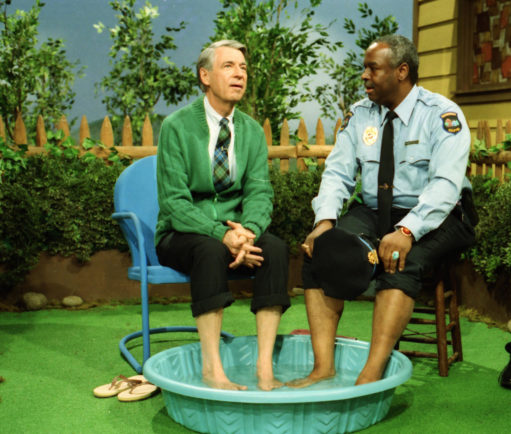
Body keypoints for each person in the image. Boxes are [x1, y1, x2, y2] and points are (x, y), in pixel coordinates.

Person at [288, 35, 476, 388]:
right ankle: (322, 368)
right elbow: (338, 173)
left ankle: (370, 375)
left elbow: (445, 187)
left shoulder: (442, 115)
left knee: (399, 260)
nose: (364, 76)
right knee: (319, 252)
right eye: (365, 68)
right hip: (376, 209)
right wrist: (324, 222)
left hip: (440, 213)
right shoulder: (360, 116)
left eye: (372, 68)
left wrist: (407, 232)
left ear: (401, 71)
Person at [155, 40, 290, 391]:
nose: (239, 74)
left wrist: (248, 232)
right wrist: (222, 235)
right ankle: (212, 370)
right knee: (210, 250)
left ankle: (264, 368)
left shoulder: (251, 130)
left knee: (273, 249)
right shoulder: (176, 127)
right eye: (229, 66)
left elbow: (260, 190)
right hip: (181, 233)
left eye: (243, 68)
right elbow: (173, 203)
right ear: (205, 75)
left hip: (236, 231)